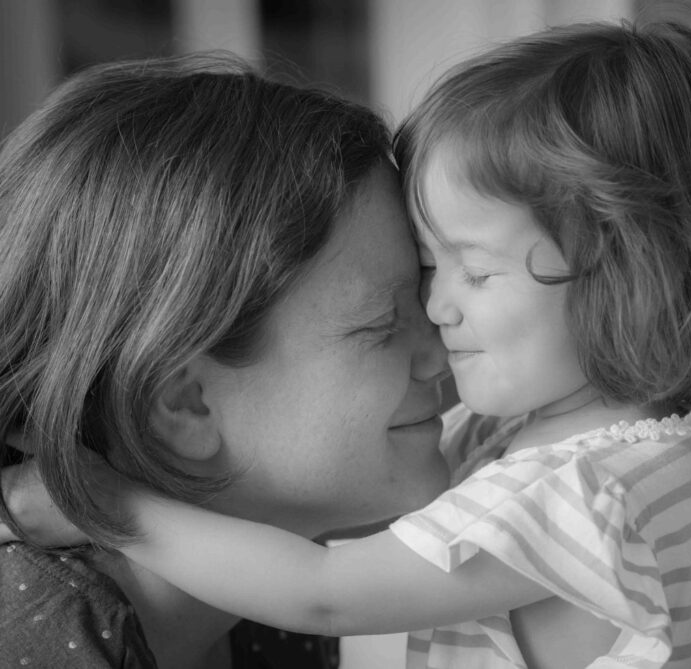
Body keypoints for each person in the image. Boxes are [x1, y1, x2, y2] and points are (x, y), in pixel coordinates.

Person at [56, 20, 691, 669]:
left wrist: (99, 499)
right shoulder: (601, 441)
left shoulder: (580, 493)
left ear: (634, 275)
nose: (436, 307)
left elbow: (322, 591)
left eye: (476, 272)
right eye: (429, 266)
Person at [0, 54, 451, 668]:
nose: (440, 355)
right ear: (184, 403)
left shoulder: (264, 620)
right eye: (382, 325)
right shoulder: (30, 638)